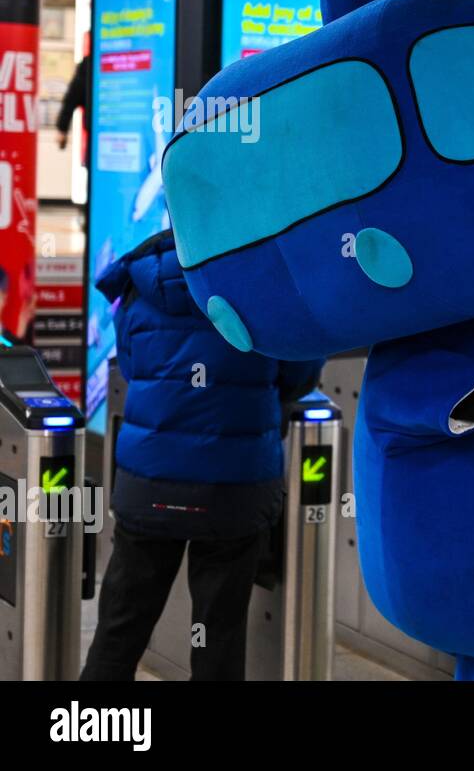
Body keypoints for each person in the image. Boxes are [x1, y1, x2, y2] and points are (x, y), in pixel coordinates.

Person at [81, 230, 323, 681]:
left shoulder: (140, 281)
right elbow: (298, 372)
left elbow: (132, 369)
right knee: (217, 640)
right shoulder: (265, 281)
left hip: (150, 481)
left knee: (119, 631)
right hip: (234, 487)